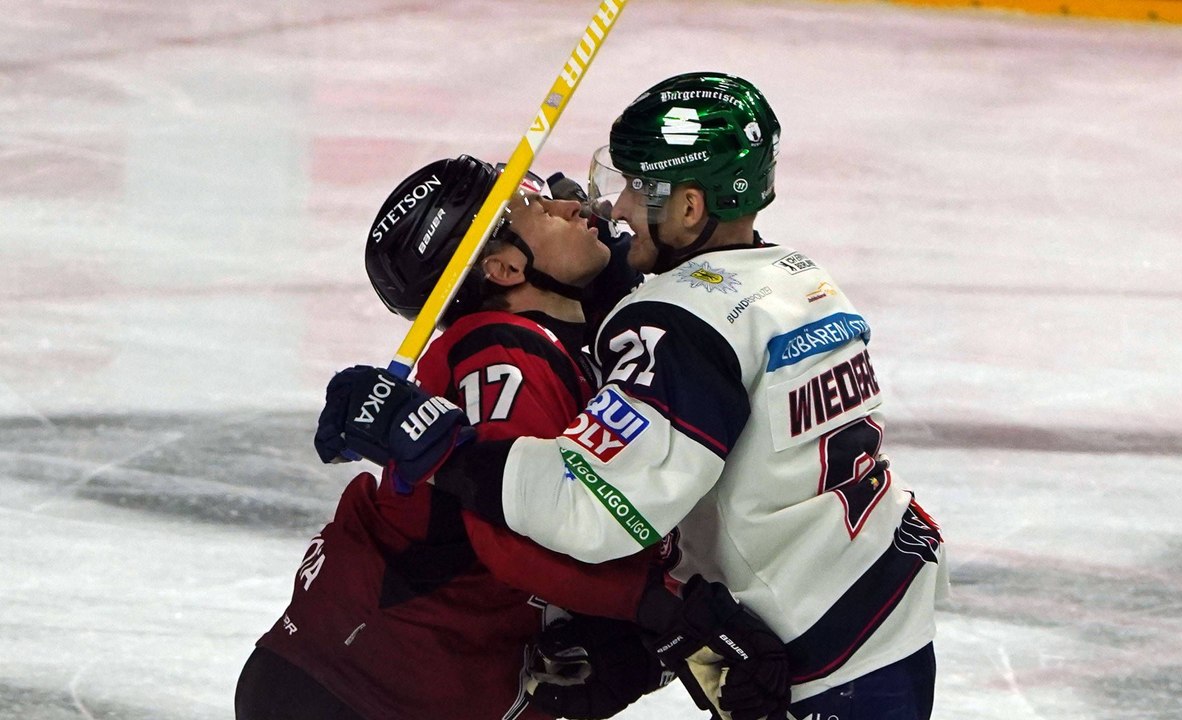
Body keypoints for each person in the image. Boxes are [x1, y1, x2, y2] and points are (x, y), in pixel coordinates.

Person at [319, 72, 951, 719]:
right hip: (878, 599)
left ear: (687, 210)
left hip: (818, 656)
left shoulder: (673, 323)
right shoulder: (793, 276)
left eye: (636, 188)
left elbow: (591, 511)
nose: (614, 208)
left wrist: (435, 441)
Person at [237, 155, 674, 720]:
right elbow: (515, 532)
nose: (575, 207)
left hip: (369, 680)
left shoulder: (547, 341)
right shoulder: (506, 350)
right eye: (543, 208)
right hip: (362, 689)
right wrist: (664, 610)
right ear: (503, 269)